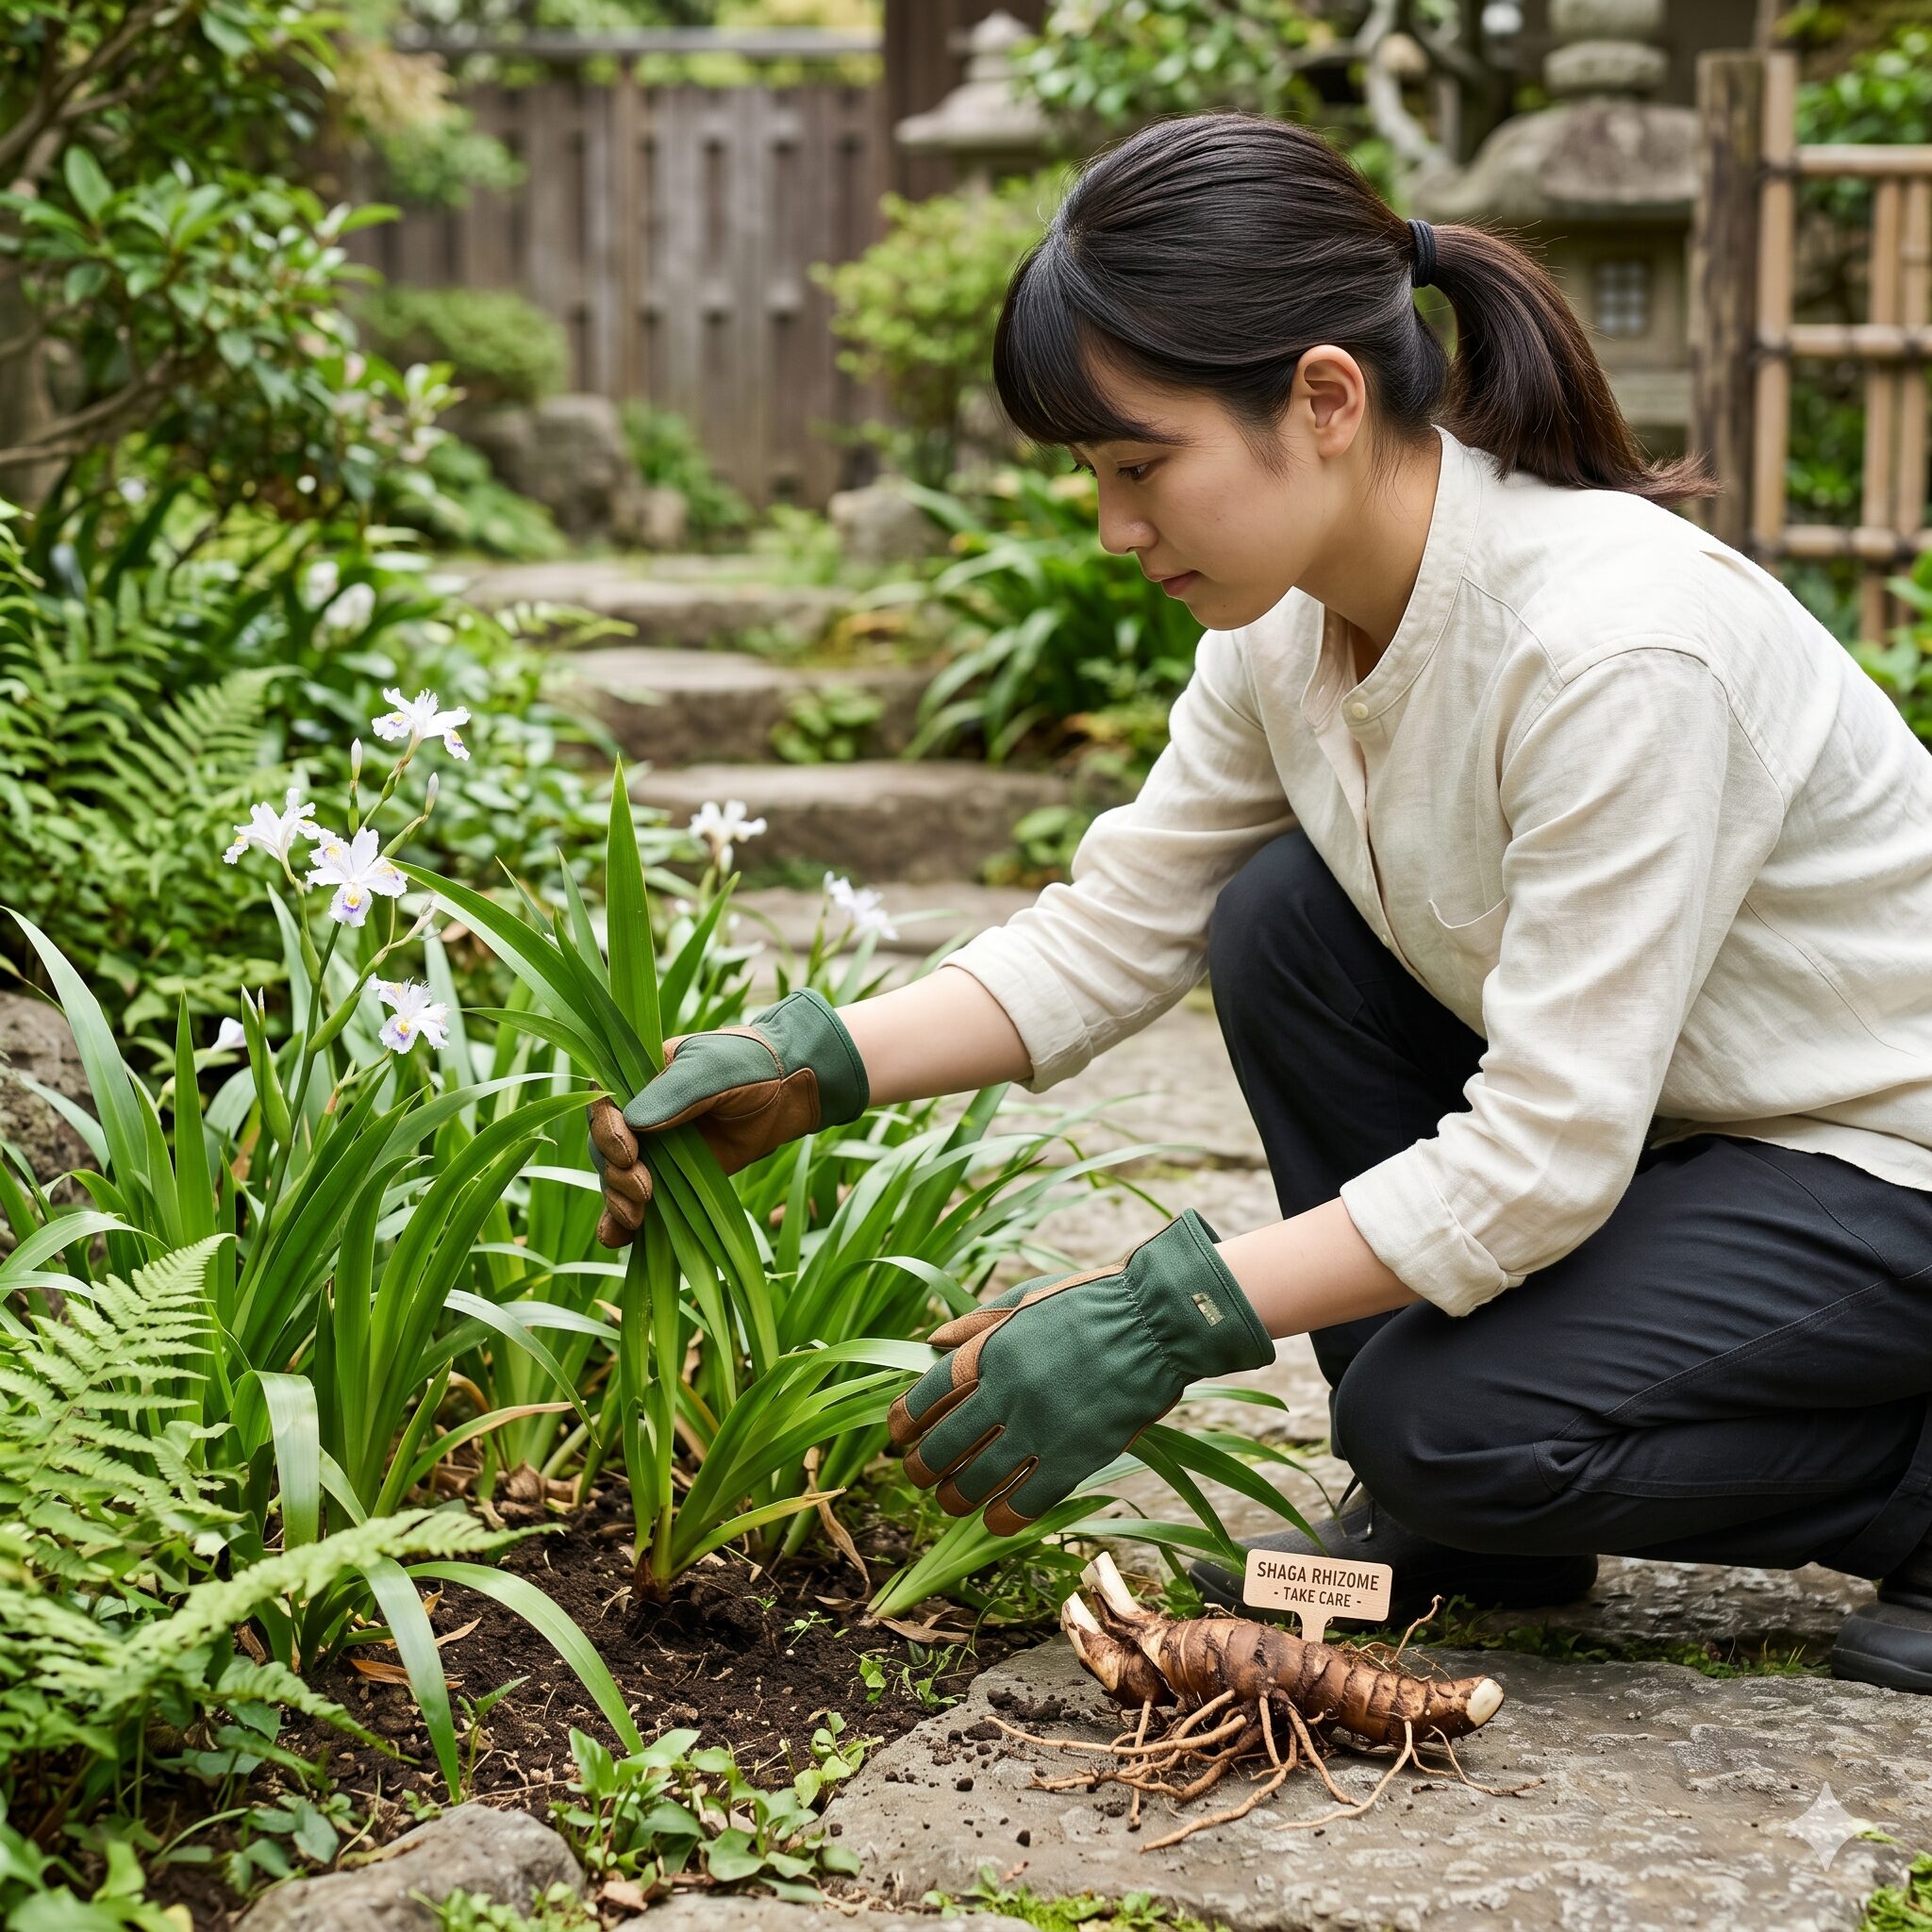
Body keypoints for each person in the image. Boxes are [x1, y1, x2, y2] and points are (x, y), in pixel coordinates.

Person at [587, 111, 1932, 1696]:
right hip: (1688, 1137)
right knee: (1283, 920)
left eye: (1140, 466)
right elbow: (1116, 928)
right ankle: (1475, 1528)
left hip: (1879, 1160)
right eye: (1095, 476)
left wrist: (1166, 1314)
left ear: (1325, 400)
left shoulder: (1617, 653)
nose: (1115, 527)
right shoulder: (1287, 632)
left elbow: (1545, 1156)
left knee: (1447, 1427)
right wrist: (813, 1065)